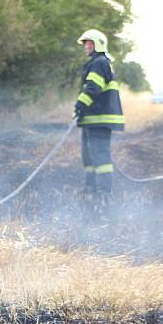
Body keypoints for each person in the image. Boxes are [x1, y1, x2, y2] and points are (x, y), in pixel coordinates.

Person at [73, 29, 124, 203]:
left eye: (90, 43)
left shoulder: (100, 62)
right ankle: (91, 188)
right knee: (88, 156)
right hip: (92, 120)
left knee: (100, 156)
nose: (86, 46)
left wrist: (80, 104)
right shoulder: (97, 62)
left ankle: (105, 193)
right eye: (85, 43)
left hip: (100, 119)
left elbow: (93, 87)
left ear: (99, 44)